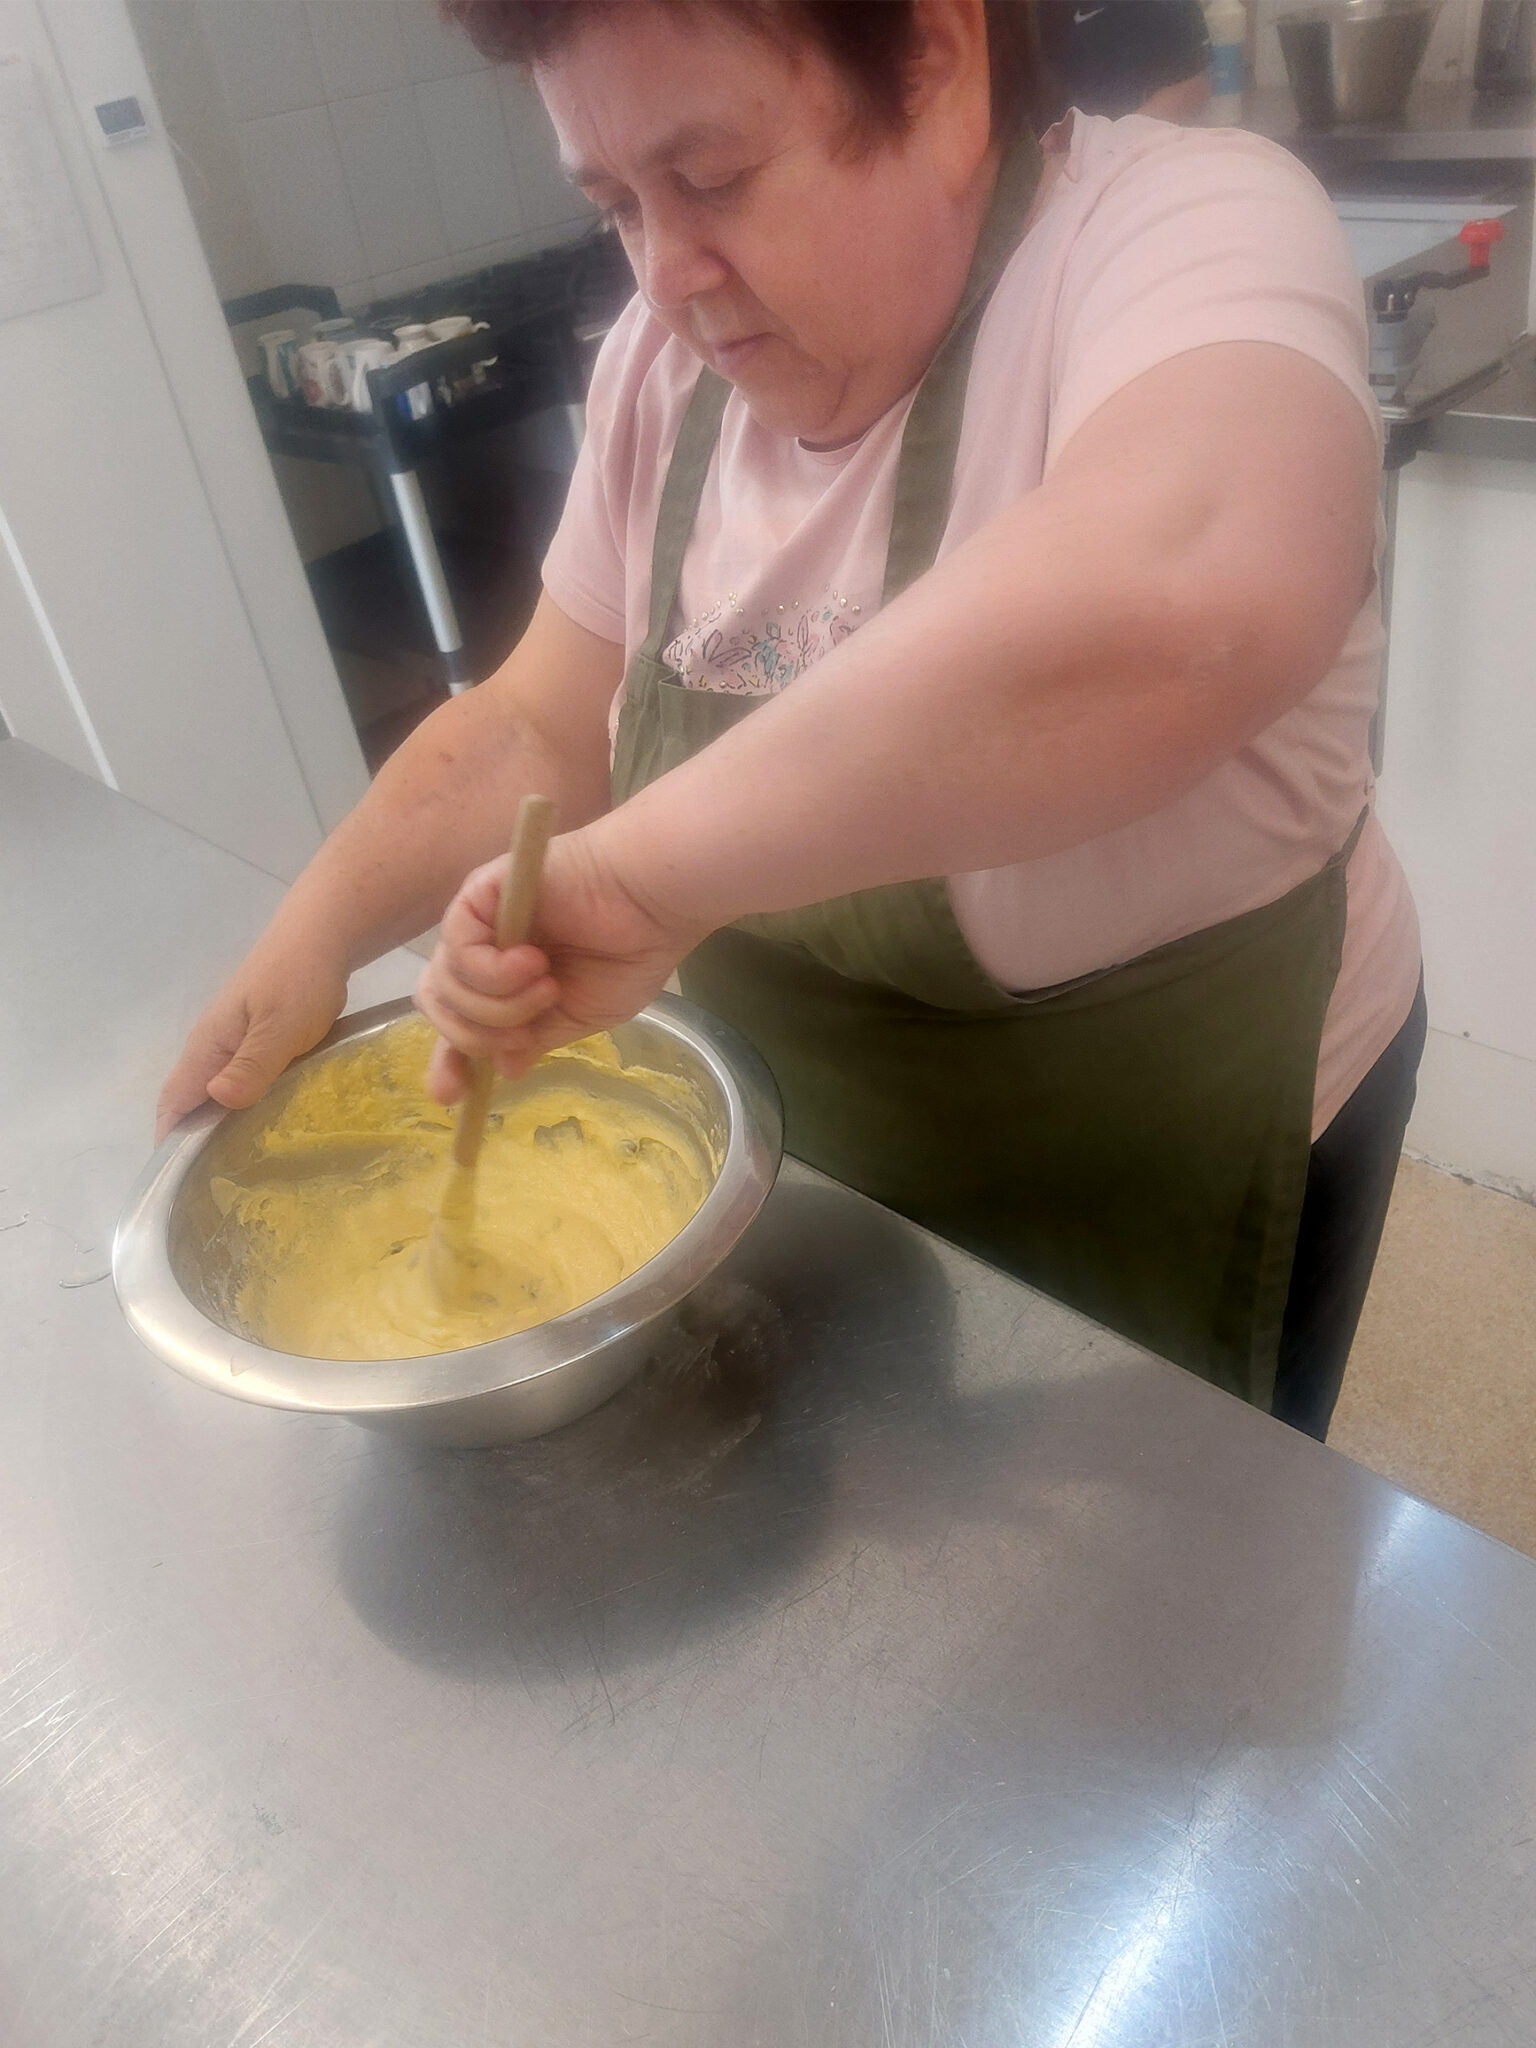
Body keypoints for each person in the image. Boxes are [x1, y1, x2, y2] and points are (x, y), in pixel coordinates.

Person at [160, 0, 1424, 1441]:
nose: (665, 275)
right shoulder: (661, 373)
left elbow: (1194, 585)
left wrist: (641, 877)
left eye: (710, 177)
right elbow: (532, 727)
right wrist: (312, 933)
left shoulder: (1185, 231)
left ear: (937, 65)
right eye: (614, 204)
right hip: (818, 1157)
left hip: (1170, 1146)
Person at [1036, 0, 1213, 123]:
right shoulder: (1051, 8)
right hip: (1087, 145)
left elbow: (1193, 88)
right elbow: (1055, 86)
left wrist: (1114, 138)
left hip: (1160, 142)